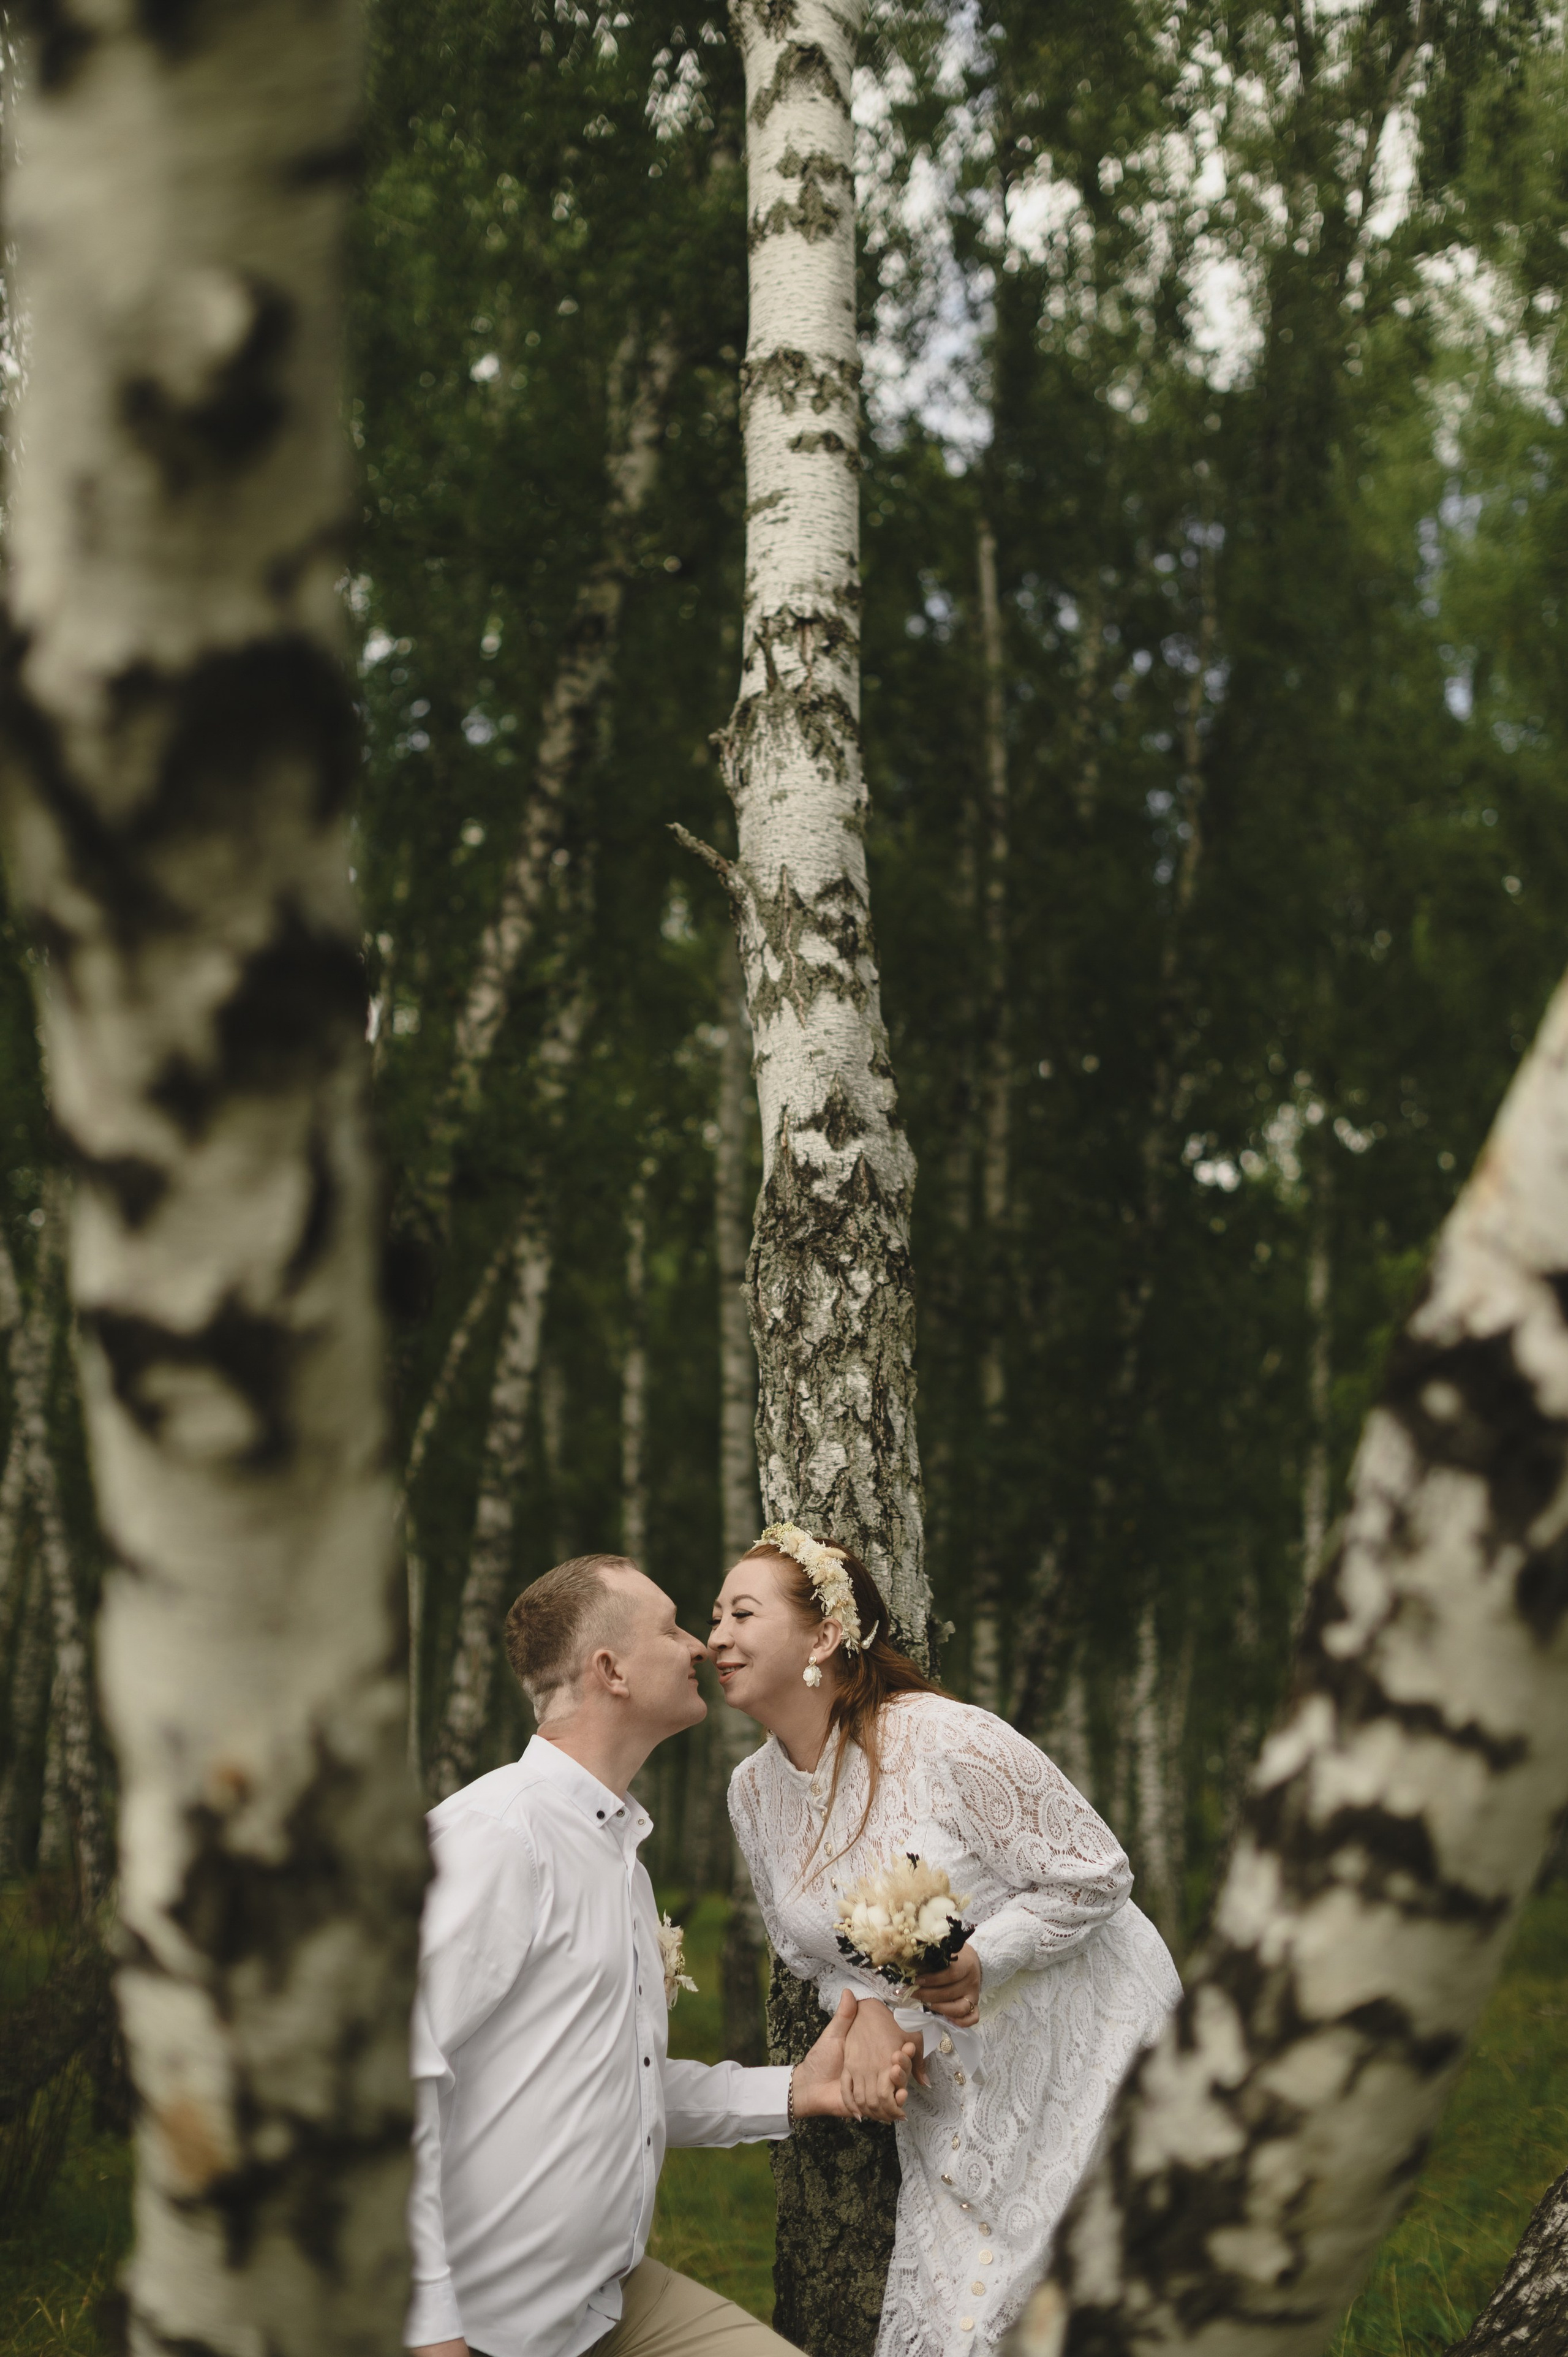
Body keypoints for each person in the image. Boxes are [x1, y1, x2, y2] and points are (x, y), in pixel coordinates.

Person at [407, 1550, 914, 2357]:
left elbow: (618, 2088)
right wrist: (431, 2335)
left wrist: (794, 2091)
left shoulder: (617, 1852)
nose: (700, 1648)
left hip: (602, 2302)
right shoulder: (500, 1837)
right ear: (609, 1669)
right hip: (480, 2327)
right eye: (673, 1627)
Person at [711, 1524, 1183, 2357]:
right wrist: (864, 2022)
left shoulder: (945, 1738)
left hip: (1087, 2047)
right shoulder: (750, 1793)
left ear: (824, 1635)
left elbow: (1097, 1875)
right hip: (949, 2090)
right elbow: (808, 1957)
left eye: (741, 1614)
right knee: (955, 2321)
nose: (716, 1636)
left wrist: (980, 1958)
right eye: (714, 1616)